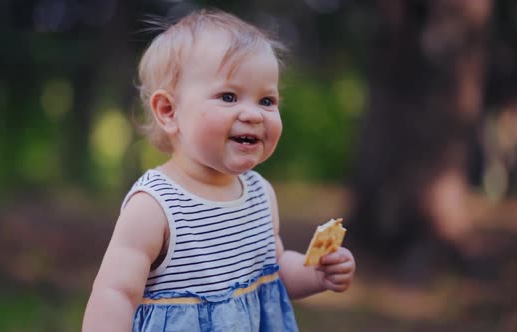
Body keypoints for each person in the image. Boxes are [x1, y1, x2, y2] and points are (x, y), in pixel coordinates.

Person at [82, 9, 355, 332]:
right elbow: (116, 294)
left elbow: (274, 268)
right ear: (169, 111)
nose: (254, 114)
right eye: (229, 96)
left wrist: (316, 274)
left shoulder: (260, 195)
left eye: (267, 101)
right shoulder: (155, 207)